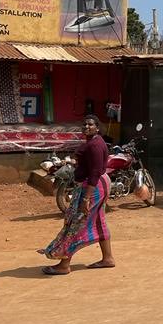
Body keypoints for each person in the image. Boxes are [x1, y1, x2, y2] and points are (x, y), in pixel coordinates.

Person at [36, 114, 114, 275]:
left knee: (75, 224)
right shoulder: (93, 142)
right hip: (96, 185)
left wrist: (86, 198)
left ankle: (64, 264)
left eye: (90, 125)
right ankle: (108, 258)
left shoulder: (95, 145)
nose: (86, 127)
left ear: (97, 128)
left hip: (92, 187)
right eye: (84, 124)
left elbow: (94, 172)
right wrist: (71, 163)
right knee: (98, 221)